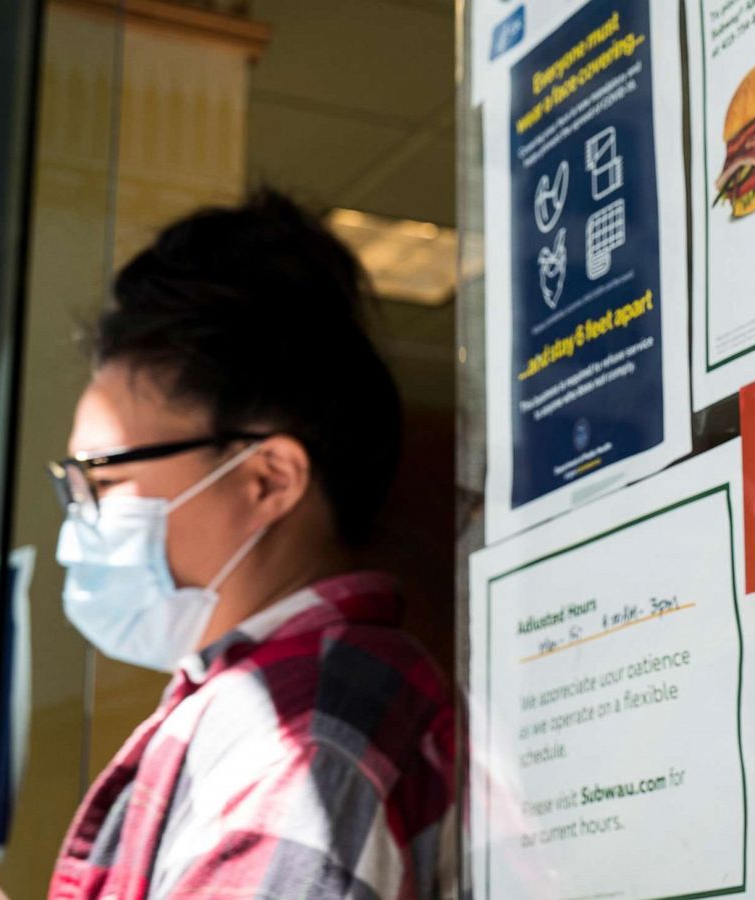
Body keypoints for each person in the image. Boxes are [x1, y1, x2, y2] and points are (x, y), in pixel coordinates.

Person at [43, 191, 454, 899]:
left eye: (102, 481)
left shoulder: (307, 727)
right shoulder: (267, 700)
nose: (78, 526)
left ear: (269, 479)